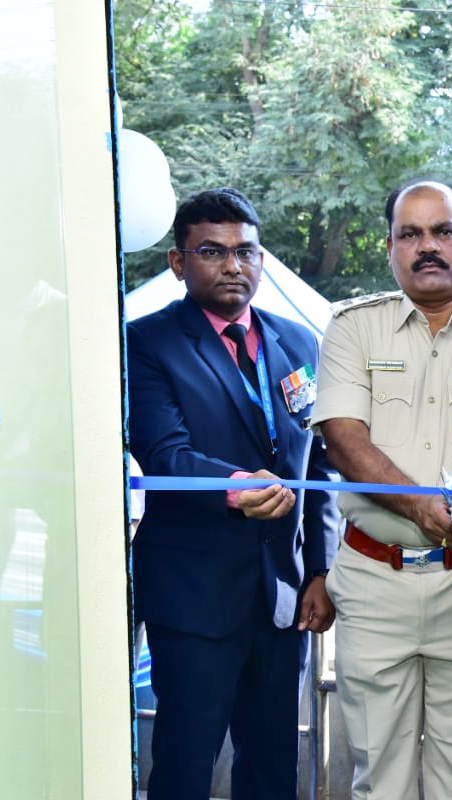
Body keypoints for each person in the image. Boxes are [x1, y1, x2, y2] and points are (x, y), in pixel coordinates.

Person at [310, 179, 452, 799]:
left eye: (443, 231)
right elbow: (342, 438)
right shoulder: (351, 327)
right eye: (410, 234)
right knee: (377, 776)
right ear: (389, 248)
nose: (428, 246)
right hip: (373, 579)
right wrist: (418, 504)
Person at [127, 187, 338, 800]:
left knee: (273, 768)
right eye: (212, 252)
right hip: (194, 598)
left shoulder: (298, 342)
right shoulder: (146, 342)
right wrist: (234, 488)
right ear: (178, 262)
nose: (233, 266)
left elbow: (317, 466)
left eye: (246, 252)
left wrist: (319, 571)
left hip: (283, 597)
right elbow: (165, 453)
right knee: (185, 765)